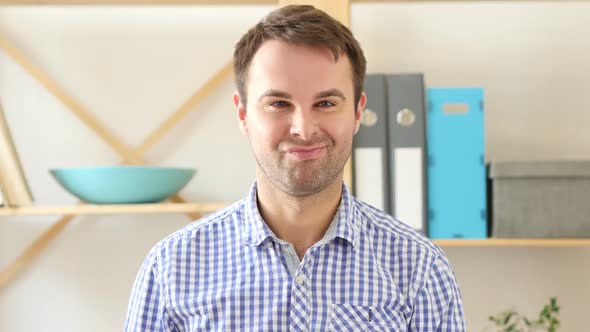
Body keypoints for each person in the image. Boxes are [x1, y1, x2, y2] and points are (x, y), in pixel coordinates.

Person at [125, 4, 466, 331]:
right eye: (278, 103)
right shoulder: (171, 268)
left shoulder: (420, 269)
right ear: (243, 113)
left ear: (359, 112)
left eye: (326, 103)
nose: (303, 129)